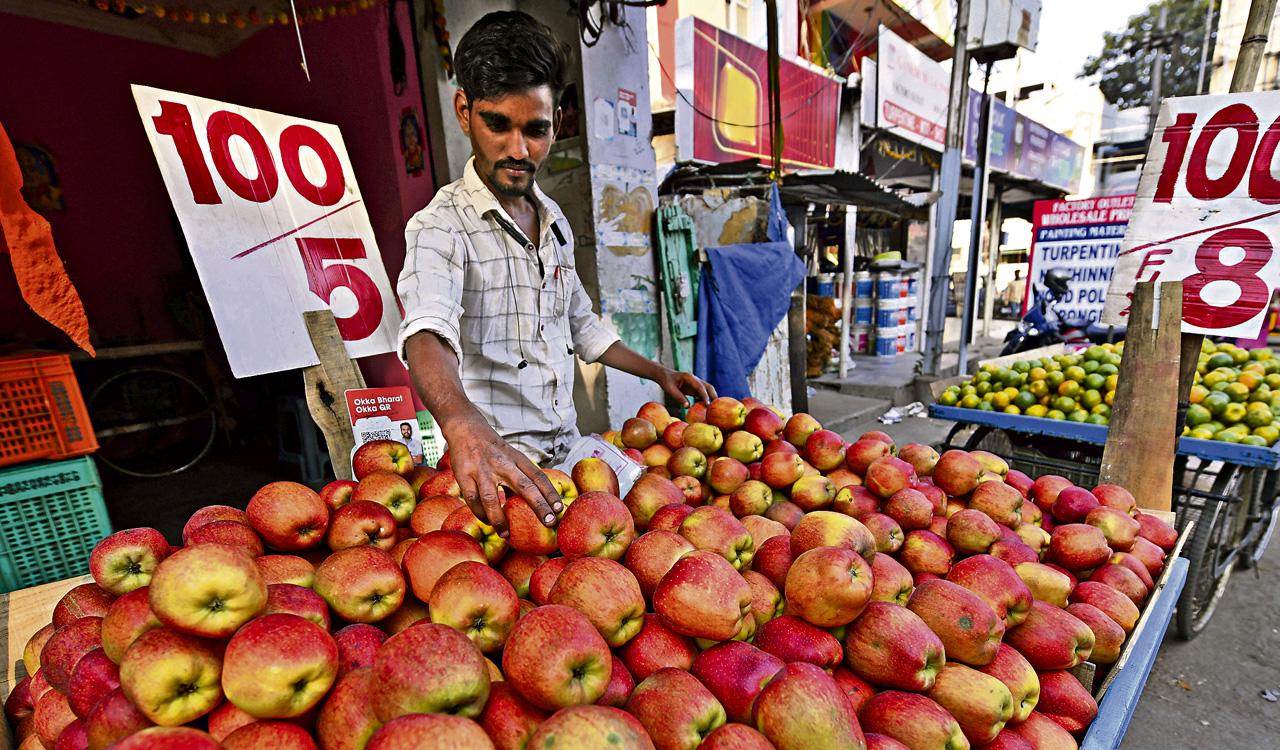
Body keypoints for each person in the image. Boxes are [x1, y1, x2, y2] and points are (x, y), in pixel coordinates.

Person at [397, 11, 715, 538]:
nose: (519, 150)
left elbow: (581, 324)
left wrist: (656, 372)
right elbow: (427, 334)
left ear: (557, 122)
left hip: (569, 460)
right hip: (497, 475)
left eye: (536, 130)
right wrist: (459, 423)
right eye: (498, 124)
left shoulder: (553, 221)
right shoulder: (440, 227)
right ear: (463, 111)